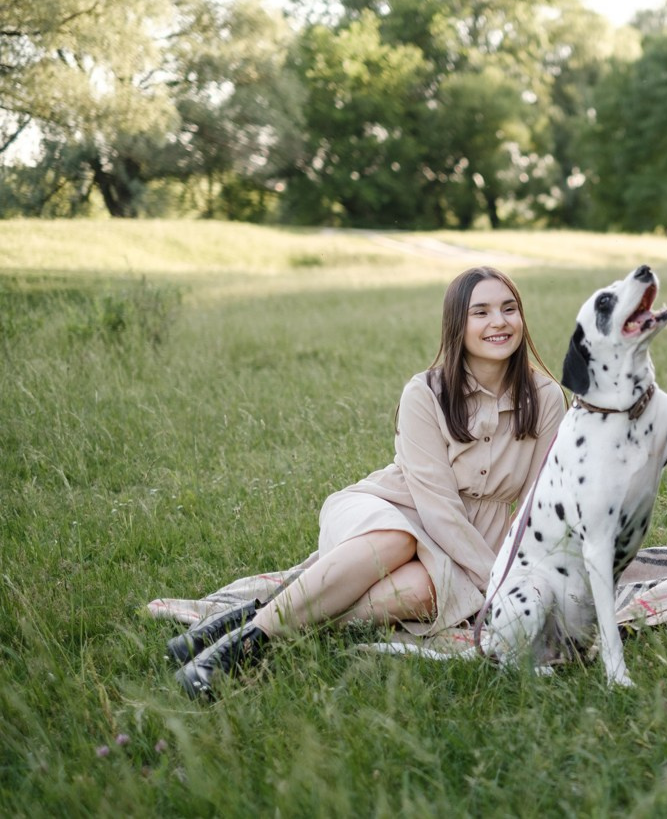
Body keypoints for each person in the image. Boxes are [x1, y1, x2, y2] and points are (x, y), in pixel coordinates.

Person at [169, 267, 566, 698]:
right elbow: (436, 508)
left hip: (468, 542)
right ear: (457, 324)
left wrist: (520, 584)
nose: (499, 322)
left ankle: (258, 617)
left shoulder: (545, 397)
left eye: (509, 309)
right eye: (481, 312)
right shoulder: (425, 393)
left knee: (422, 592)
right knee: (398, 539)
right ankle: (240, 650)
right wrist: (497, 585)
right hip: (391, 509)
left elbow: (536, 509)